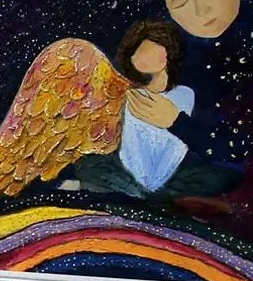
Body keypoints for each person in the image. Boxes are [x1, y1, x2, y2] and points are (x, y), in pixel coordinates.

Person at [68, 19, 240, 199]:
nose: (144, 56)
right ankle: (141, 195)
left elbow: (213, 146)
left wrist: (174, 121)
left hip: (171, 177)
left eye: (157, 48)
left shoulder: (185, 95)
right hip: (127, 174)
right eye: (138, 52)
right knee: (89, 166)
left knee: (224, 176)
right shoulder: (127, 94)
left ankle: (149, 197)